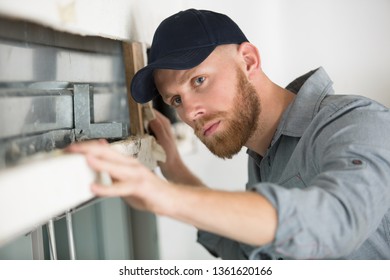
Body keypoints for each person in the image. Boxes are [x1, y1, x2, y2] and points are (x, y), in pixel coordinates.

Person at [68, 9, 390, 259]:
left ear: (248, 61)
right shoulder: (265, 162)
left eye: (198, 81)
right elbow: (247, 254)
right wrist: (175, 172)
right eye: (176, 100)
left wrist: (165, 198)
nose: (190, 112)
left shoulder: (356, 122)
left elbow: (337, 220)